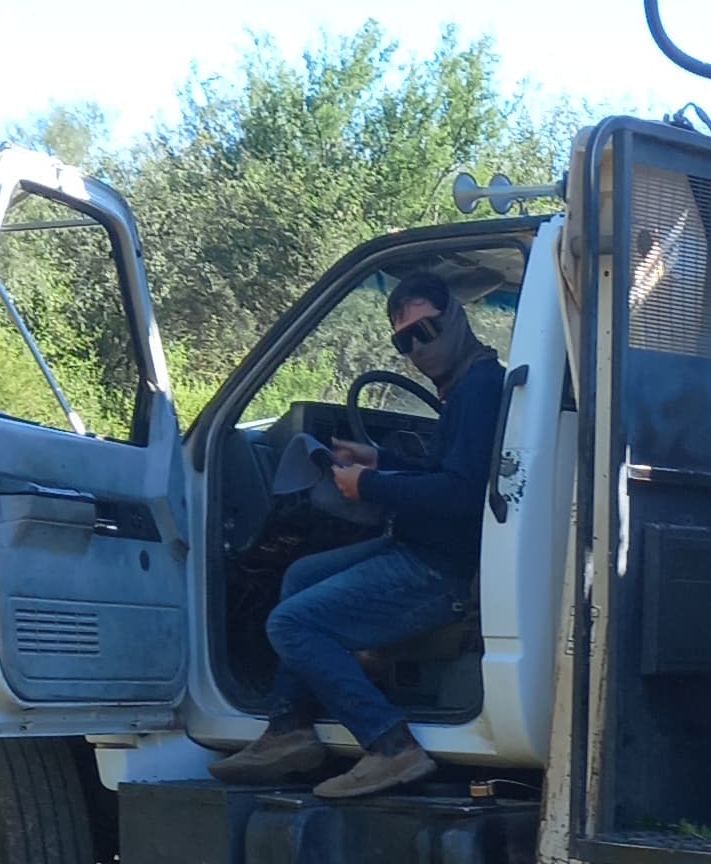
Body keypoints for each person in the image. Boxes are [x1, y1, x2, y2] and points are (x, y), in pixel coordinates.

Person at [211, 273, 505, 798]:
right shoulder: (465, 386)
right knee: (300, 575)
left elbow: (460, 494)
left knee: (291, 624)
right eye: (404, 341)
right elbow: (445, 471)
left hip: (441, 570)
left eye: (426, 330)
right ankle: (289, 728)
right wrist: (380, 461)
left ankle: (391, 744)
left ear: (455, 319)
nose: (418, 349)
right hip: (421, 548)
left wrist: (368, 485)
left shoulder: (481, 389)